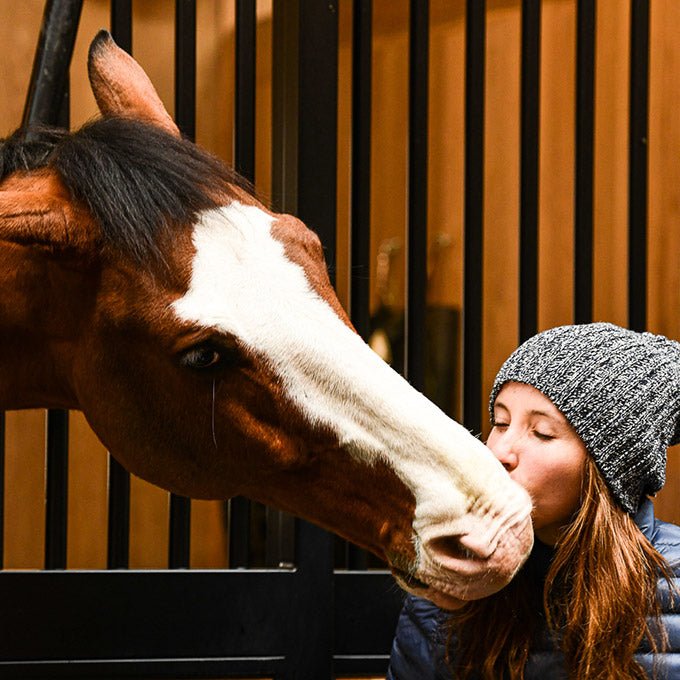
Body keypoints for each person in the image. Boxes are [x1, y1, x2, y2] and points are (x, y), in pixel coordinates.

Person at [387, 322, 680, 680]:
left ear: (609, 470)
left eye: (541, 432)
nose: (501, 451)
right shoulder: (452, 573)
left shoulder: (673, 581)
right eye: (500, 422)